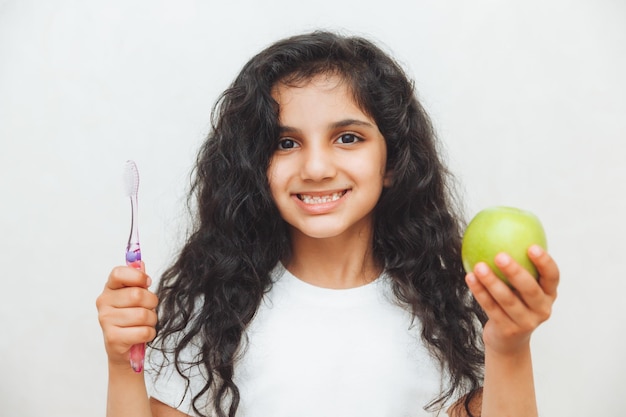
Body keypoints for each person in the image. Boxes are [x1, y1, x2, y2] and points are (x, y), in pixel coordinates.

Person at [96, 30, 559, 417]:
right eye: (285, 143)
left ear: (392, 159)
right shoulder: (211, 312)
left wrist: (508, 347)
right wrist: (122, 364)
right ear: (255, 165)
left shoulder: (448, 311)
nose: (316, 167)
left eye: (348, 137)